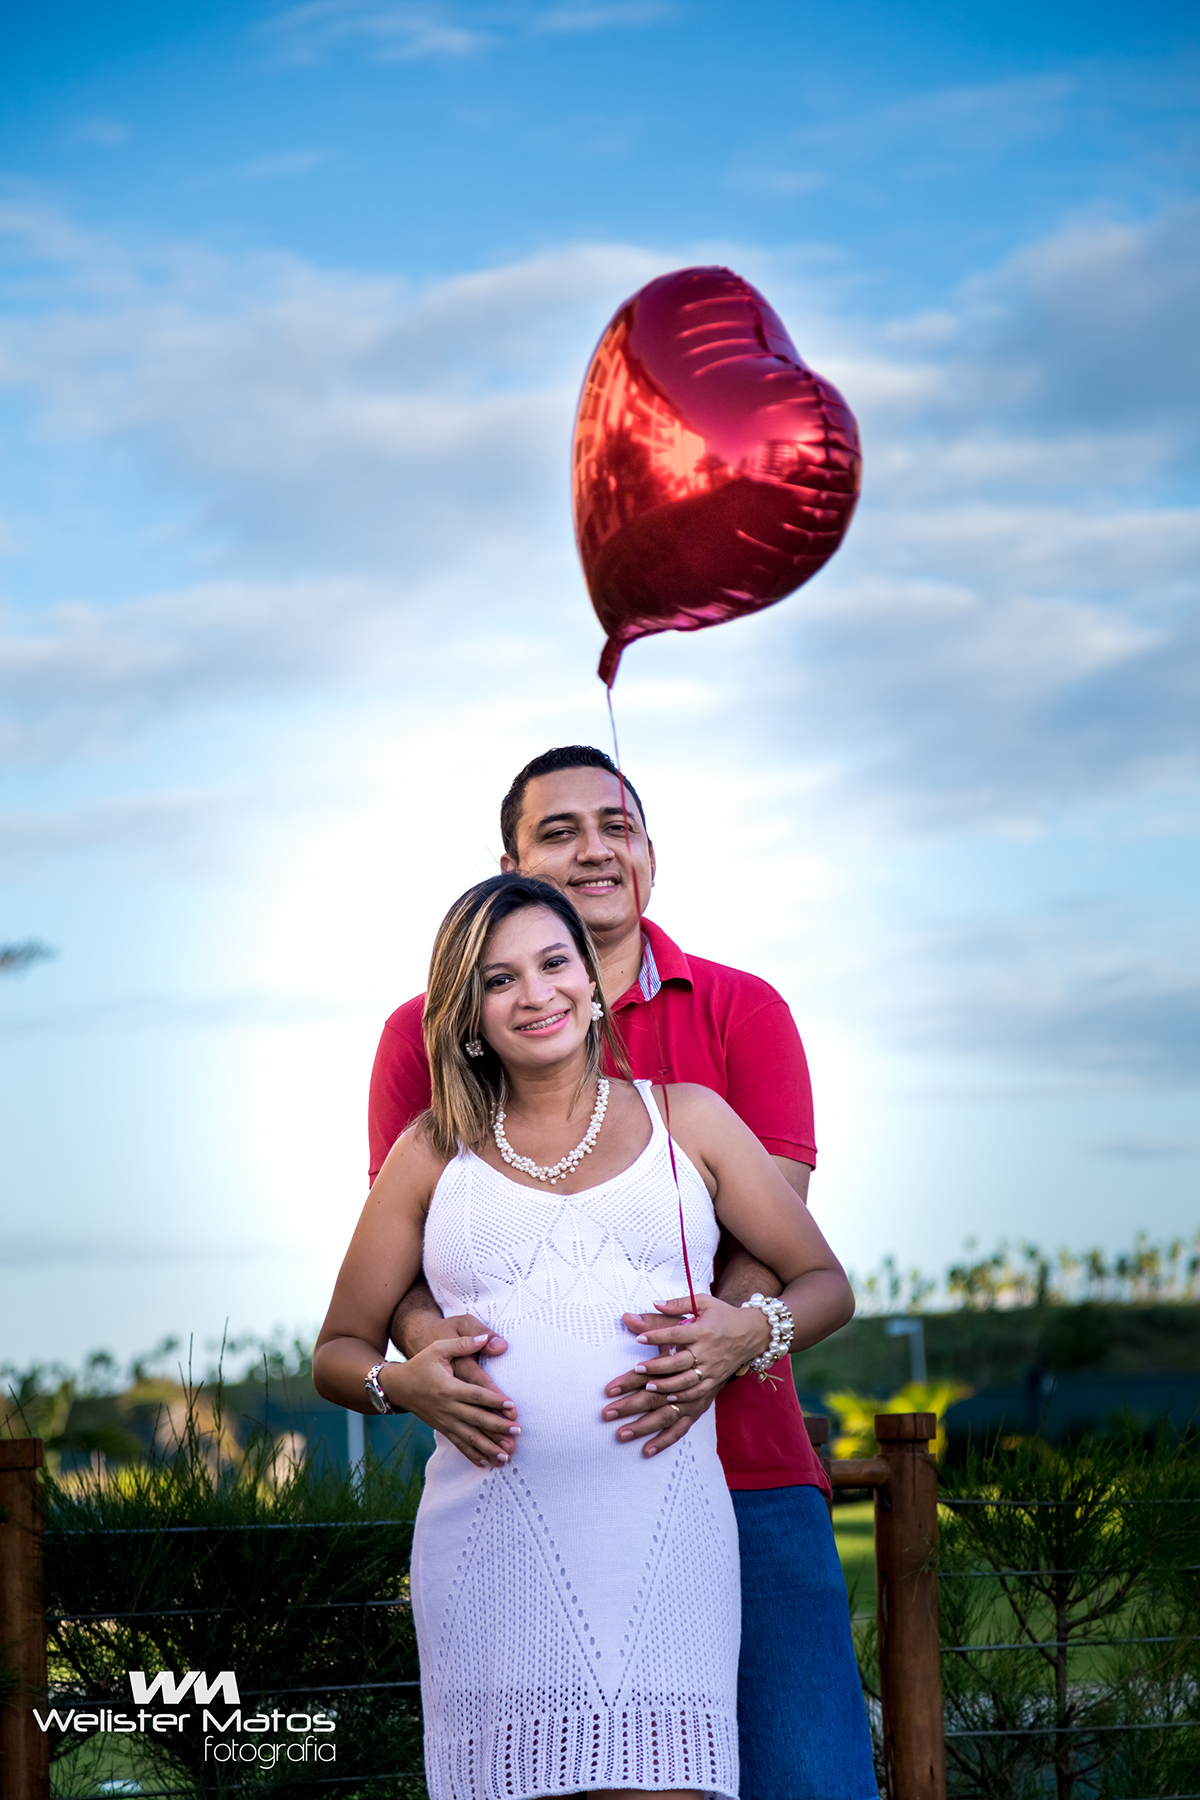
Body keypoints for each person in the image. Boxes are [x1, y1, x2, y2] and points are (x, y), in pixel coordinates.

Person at [368, 746, 879, 1800]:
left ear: (650, 850)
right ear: (510, 866)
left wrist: (718, 1345)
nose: (596, 849)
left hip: (741, 1472)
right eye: (559, 831)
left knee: (806, 1778)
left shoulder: (742, 1009)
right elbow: (412, 1257)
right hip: (517, 1499)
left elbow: (773, 1238)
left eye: (618, 825)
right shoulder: (422, 1038)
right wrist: (435, 1358)